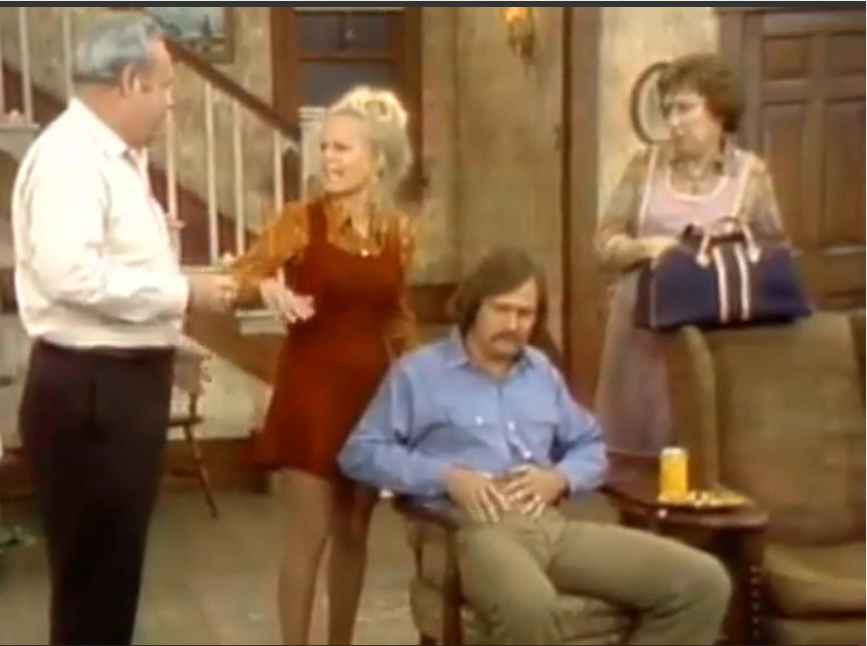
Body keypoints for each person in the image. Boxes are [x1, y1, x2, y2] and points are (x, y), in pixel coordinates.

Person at [339, 247, 732, 645]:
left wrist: (559, 478)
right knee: (530, 609)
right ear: (474, 306)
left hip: (550, 529)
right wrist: (447, 477)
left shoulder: (541, 372)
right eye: (501, 309)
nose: (513, 324)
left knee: (702, 582)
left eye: (524, 314)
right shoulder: (420, 372)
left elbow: (591, 446)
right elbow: (360, 452)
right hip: (471, 533)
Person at [11, 15, 237, 646]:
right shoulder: (72, 160)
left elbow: (123, 271)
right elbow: (71, 276)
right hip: (93, 393)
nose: (171, 103)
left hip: (115, 386)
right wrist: (185, 293)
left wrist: (171, 332)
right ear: (131, 81)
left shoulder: (115, 159)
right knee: (94, 584)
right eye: (165, 87)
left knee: (110, 578)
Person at [228, 86, 418, 645]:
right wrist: (265, 288)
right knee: (307, 538)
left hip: (371, 396)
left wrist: (418, 385)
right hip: (311, 395)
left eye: (343, 148)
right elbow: (236, 277)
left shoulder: (399, 232)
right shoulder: (300, 221)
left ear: (377, 160)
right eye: (325, 148)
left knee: (354, 532)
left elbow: (399, 316)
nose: (329, 159)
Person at [594, 53, 788, 469]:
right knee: (638, 466)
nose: (674, 122)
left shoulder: (751, 175)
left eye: (684, 108)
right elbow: (604, 244)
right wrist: (648, 248)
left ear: (718, 110)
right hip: (641, 332)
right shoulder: (644, 166)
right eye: (668, 111)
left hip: (715, 338)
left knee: (704, 455)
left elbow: (773, 253)